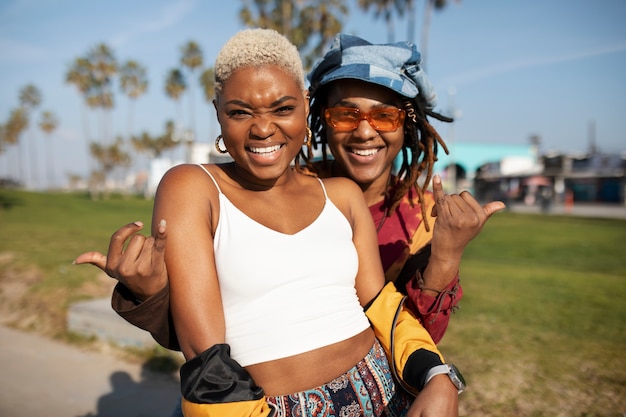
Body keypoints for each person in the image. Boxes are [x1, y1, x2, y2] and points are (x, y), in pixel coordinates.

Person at [78, 28, 461, 416]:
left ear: (305, 106)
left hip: (385, 396)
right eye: (241, 111)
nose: (263, 129)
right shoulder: (194, 188)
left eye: (282, 109)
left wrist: (438, 375)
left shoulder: (342, 195)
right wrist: (151, 292)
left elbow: (385, 312)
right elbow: (208, 364)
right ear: (218, 113)